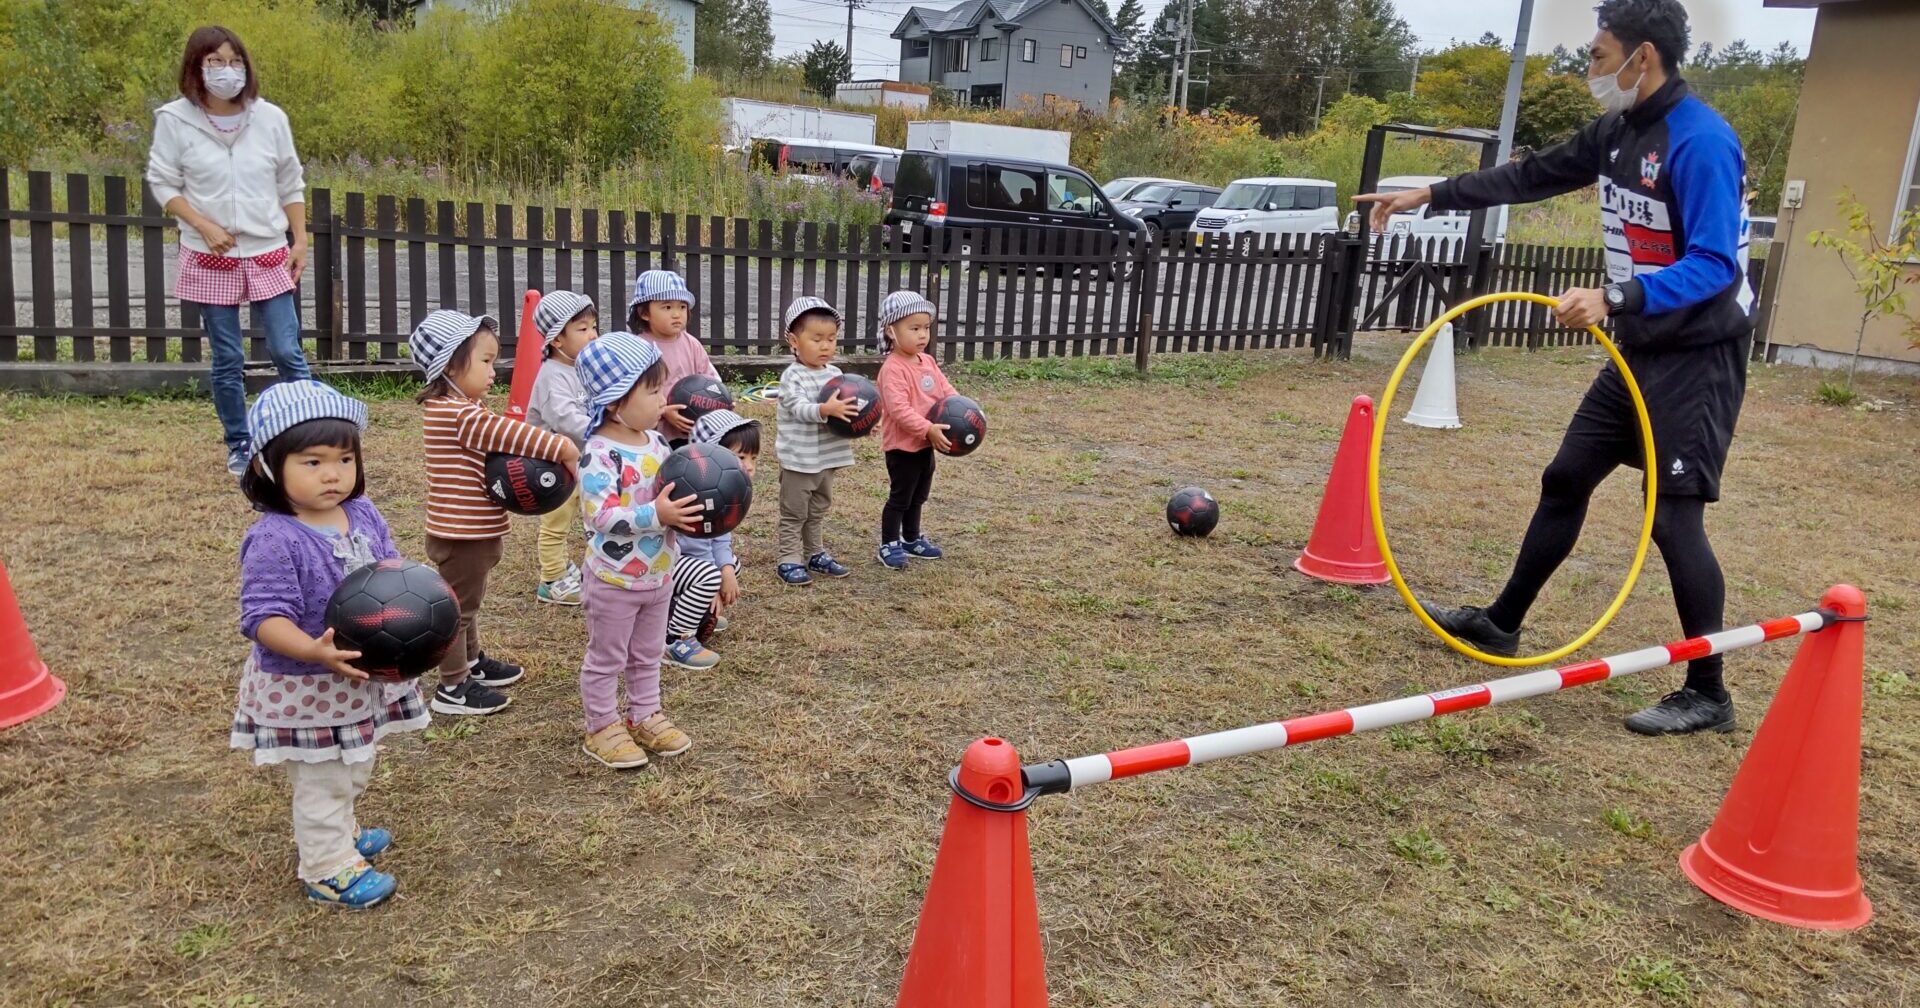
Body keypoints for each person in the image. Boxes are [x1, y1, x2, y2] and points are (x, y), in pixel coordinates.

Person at [1354, 0, 1754, 736]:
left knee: (1672, 521)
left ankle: (1709, 691)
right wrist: (1430, 196)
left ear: (1642, 57)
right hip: (1638, 346)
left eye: (1599, 56)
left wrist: (1615, 296)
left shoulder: (1700, 141)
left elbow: (1715, 264)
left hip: (1697, 357)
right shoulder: (1617, 131)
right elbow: (1531, 176)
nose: (1589, 69)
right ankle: (1502, 623)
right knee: (1566, 476)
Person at [231, 380, 425, 909]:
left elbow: (391, 571)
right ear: (267, 467)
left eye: (344, 459)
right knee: (324, 778)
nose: (333, 474)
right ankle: (326, 866)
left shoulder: (362, 514)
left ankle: (340, 830)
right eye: (312, 462)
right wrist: (314, 650)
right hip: (308, 685)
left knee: (355, 764)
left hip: (358, 678)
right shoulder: (275, 538)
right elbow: (263, 618)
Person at [146, 26, 313, 476]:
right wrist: (201, 224)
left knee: (286, 349)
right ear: (196, 67)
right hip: (210, 253)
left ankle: (311, 430)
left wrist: (299, 239)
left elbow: (290, 181)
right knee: (228, 357)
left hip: (267, 249)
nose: (227, 70)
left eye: (235, 61)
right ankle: (240, 444)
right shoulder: (175, 120)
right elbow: (163, 181)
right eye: (215, 62)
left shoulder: (270, 118)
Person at [410, 310, 580, 716]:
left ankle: (471, 662)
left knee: (468, 603)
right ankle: (453, 687)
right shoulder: (456, 414)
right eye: (485, 361)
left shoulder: (463, 407)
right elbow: (509, 434)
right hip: (462, 533)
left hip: (474, 531)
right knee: (457, 609)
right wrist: (563, 447)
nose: (493, 371)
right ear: (451, 366)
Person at [574, 332, 704, 768]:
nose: (663, 399)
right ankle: (601, 726)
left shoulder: (656, 442)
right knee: (607, 658)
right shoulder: (599, 452)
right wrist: (657, 514)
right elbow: (600, 515)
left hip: (658, 574)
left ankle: (644, 714)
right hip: (614, 579)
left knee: (648, 654)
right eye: (652, 391)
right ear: (615, 401)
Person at [774, 296, 859, 587]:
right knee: (794, 512)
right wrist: (825, 409)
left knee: (818, 508)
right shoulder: (792, 377)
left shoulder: (836, 374)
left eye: (831, 339)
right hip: (800, 459)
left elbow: (849, 410)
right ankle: (788, 558)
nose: (826, 346)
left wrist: (862, 424)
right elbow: (798, 408)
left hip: (827, 458)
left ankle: (814, 553)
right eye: (817, 339)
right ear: (794, 341)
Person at [667, 409, 761, 666]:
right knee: (710, 576)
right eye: (740, 457)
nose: (749, 466)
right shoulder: (694, 491)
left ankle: (695, 612)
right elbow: (696, 546)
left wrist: (726, 570)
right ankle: (676, 639)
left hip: (688, 564)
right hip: (663, 565)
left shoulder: (723, 488)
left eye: (753, 458)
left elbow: (720, 538)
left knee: (731, 566)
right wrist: (715, 586)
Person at [873, 291, 958, 571]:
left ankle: (910, 538)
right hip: (902, 447)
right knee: (901, 497)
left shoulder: (927, 362)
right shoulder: (892, 369)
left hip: (925, 444)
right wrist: (927, 428)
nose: (923, 335)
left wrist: (961, 407)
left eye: (926, 328)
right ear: (891, 332)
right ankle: (889, 543)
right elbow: (898, 410)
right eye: (914, 328)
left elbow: (945, 390)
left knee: (919, 494)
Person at [525, 290, 600, 607]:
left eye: (593, 326)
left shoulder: (583, 367)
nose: (593, 334)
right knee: (556, 523)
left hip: (583, 460)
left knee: (591, 518)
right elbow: (565, 418)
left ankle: (580, 570)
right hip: (553, 466)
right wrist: (603, 430)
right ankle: (551, 579)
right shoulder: (552, 375)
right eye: (582, 329)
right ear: (557, 340)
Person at [626, 270, 719, 445]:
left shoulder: (691, 344)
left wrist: (720, 398)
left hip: (694, 430)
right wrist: (663, 412)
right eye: (667, 307)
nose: (677, 314)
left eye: (682, 307)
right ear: (644, 313)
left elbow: (710, 378)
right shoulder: (639, 348)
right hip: (656, 434)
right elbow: (634, 395)